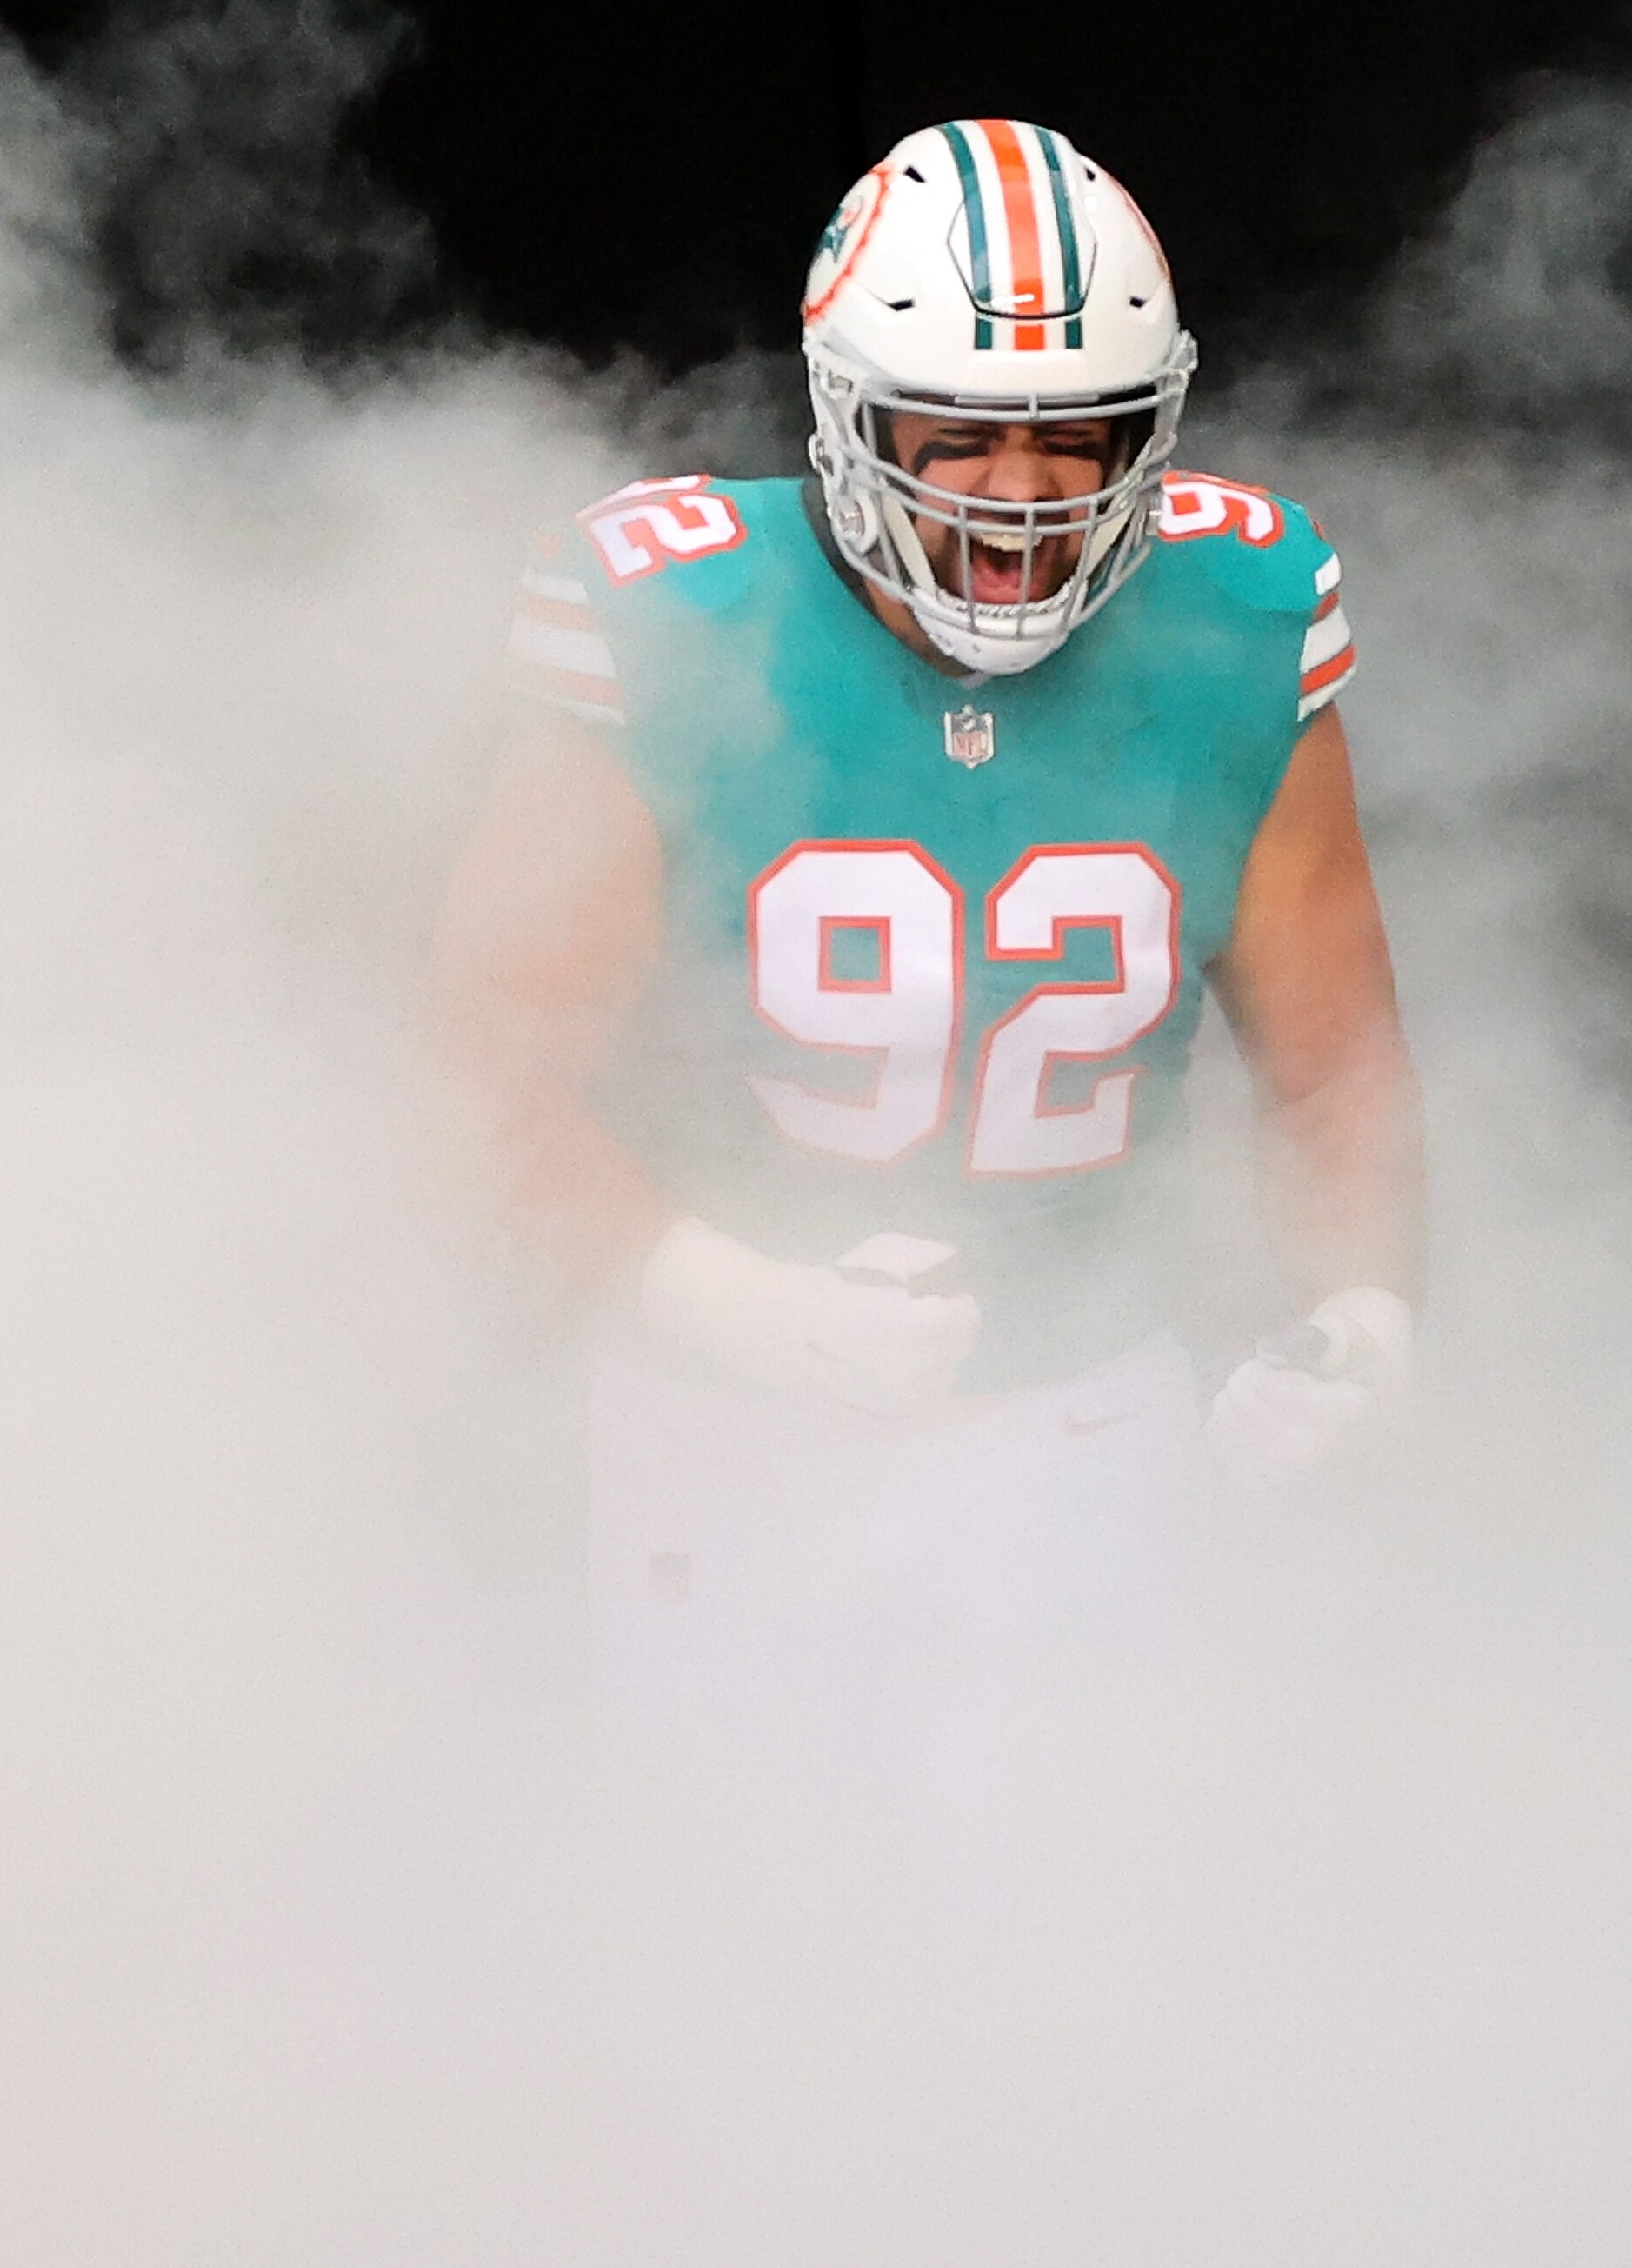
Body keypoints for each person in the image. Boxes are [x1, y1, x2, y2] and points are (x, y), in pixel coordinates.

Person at [435, 118, 1424, 1750]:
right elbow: (479, 1083)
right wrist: (736, 1299)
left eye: (1079, 436)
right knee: (730, 1954)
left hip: (1086, 1411)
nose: (1021, 498)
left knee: (1072, 1970)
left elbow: (1333, 1073)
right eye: (956, 438)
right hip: (721, 1430)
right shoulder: (671, 616)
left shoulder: (1239, 616)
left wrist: (1367, 1308)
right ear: (846, 411)